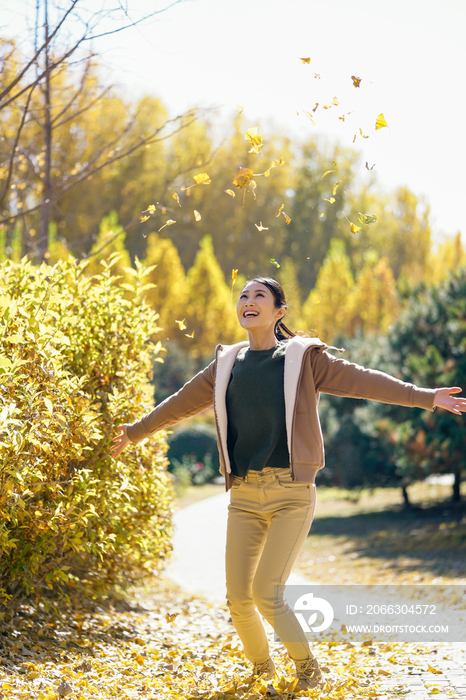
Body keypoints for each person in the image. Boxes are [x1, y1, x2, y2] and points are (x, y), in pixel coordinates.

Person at [111, 276, 465, 691]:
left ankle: (307, 670)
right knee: (238, 597)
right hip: (243, 495)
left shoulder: (303, 359)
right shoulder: (226, 364)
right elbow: (180, 403)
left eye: (259, 295)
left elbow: (363, 381)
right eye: (243, 296)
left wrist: (425, 396)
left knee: (266, 591)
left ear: (279, 312)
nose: (248, 301)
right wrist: (135, 432)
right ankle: (263, 671)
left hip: (291, 494)